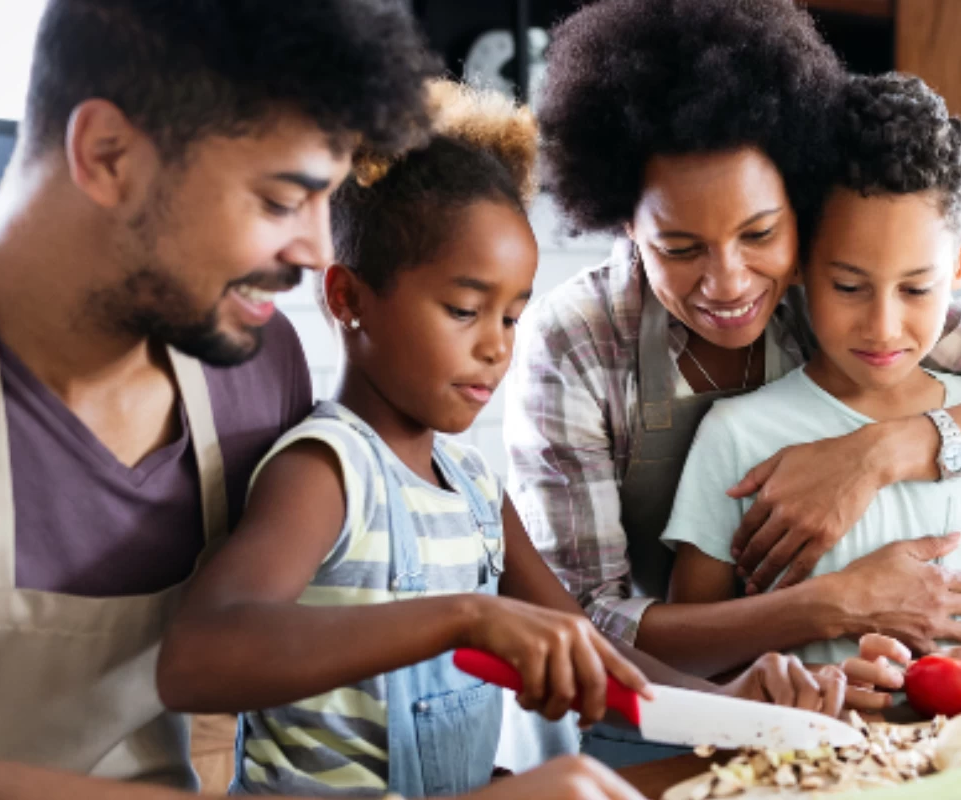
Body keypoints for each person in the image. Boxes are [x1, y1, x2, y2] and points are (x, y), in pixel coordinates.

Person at [0, 1, 633, 798]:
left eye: (328, 198)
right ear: (107, 155)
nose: (315, 249)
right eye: (283, 198)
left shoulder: (253, 364)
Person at [155, 81, 840, 800]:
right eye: (463, 309)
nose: (495, 348)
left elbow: (596, 658)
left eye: (512, 316)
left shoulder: (474, 489)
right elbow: (196, 659)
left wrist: (737, 704)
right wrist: (463, 616)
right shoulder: (326, 472)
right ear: (348, 299)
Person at [506, 0, 961, 762]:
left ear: (796, 220)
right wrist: (832, 606)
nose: (728, 281)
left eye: (759, 234)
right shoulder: (573, 345)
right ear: (626, 223)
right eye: (681, 246)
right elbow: (584, 625)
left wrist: (877, 454)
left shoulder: (840, 298)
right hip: (632, 730)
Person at [661, 74, 961, 711]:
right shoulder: (738, 435)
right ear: (800, 258)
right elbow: (685, 652)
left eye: (916, 289)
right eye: (850, 286)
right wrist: (791, 682)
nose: (884, 326)